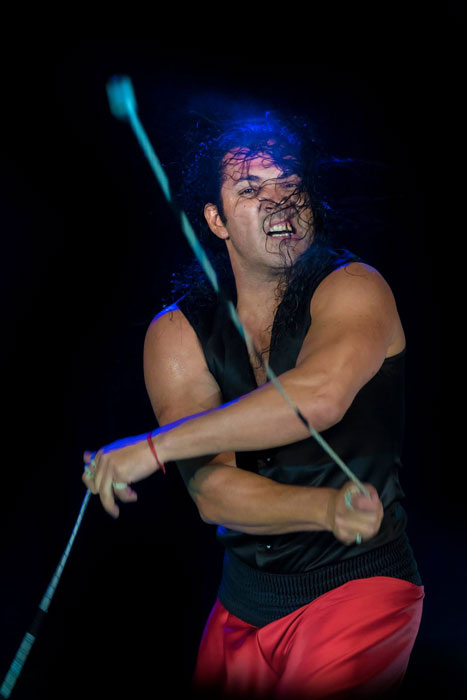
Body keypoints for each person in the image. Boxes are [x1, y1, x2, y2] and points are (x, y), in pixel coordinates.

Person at [82, 113, 424, 699]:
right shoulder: (176, 334)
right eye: (250, 189)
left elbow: (317, 398)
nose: (278, 201)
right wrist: (326, 510)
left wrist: (154, 448)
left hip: (361, 590)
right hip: (241, 608)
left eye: (289, 181)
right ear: (216, 220)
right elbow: (212, 492)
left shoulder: (356, 286)